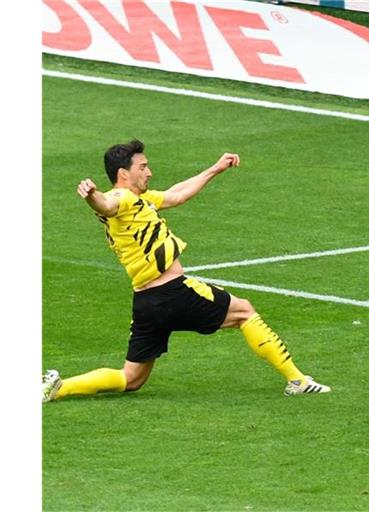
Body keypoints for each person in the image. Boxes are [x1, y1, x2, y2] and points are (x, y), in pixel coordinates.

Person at [42, 139, 330, 403]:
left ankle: (59, 388)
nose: (149, 172)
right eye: (143, 167)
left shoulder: (140, 201)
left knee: (131, 379)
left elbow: (175, 195)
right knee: (244, 312)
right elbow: (106, 205)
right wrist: (91, 195)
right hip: (173, 293)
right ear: (123, 173)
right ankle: (298, 380)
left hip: (146, 303)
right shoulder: (121, 198)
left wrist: (215, 169)